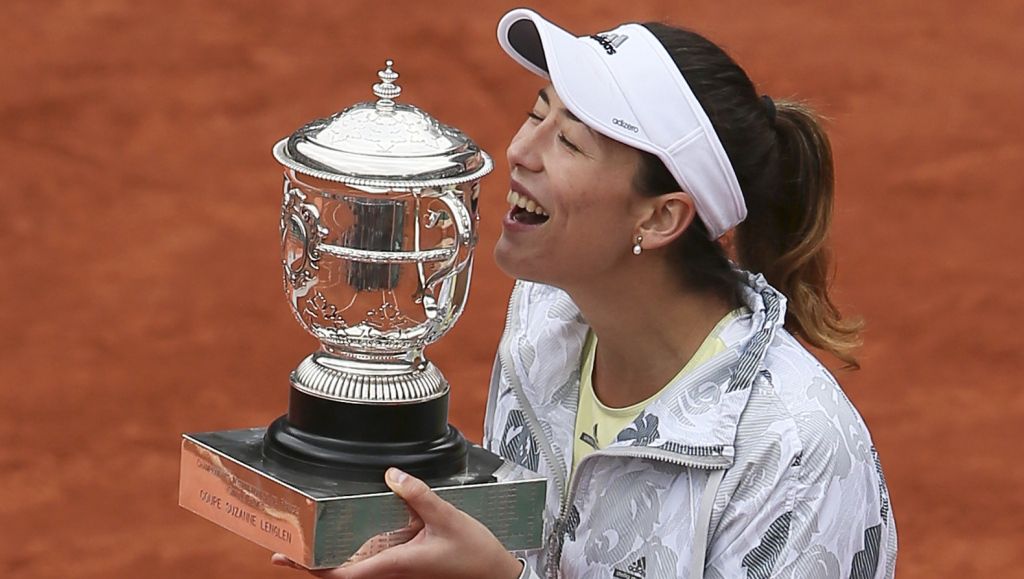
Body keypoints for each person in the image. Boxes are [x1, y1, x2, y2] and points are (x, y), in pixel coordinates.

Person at [271, 7, 897, 578]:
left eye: (570, 142)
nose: (519, 152)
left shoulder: (792, 452)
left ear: (658, 219)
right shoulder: (543, 326)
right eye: (537, 113)